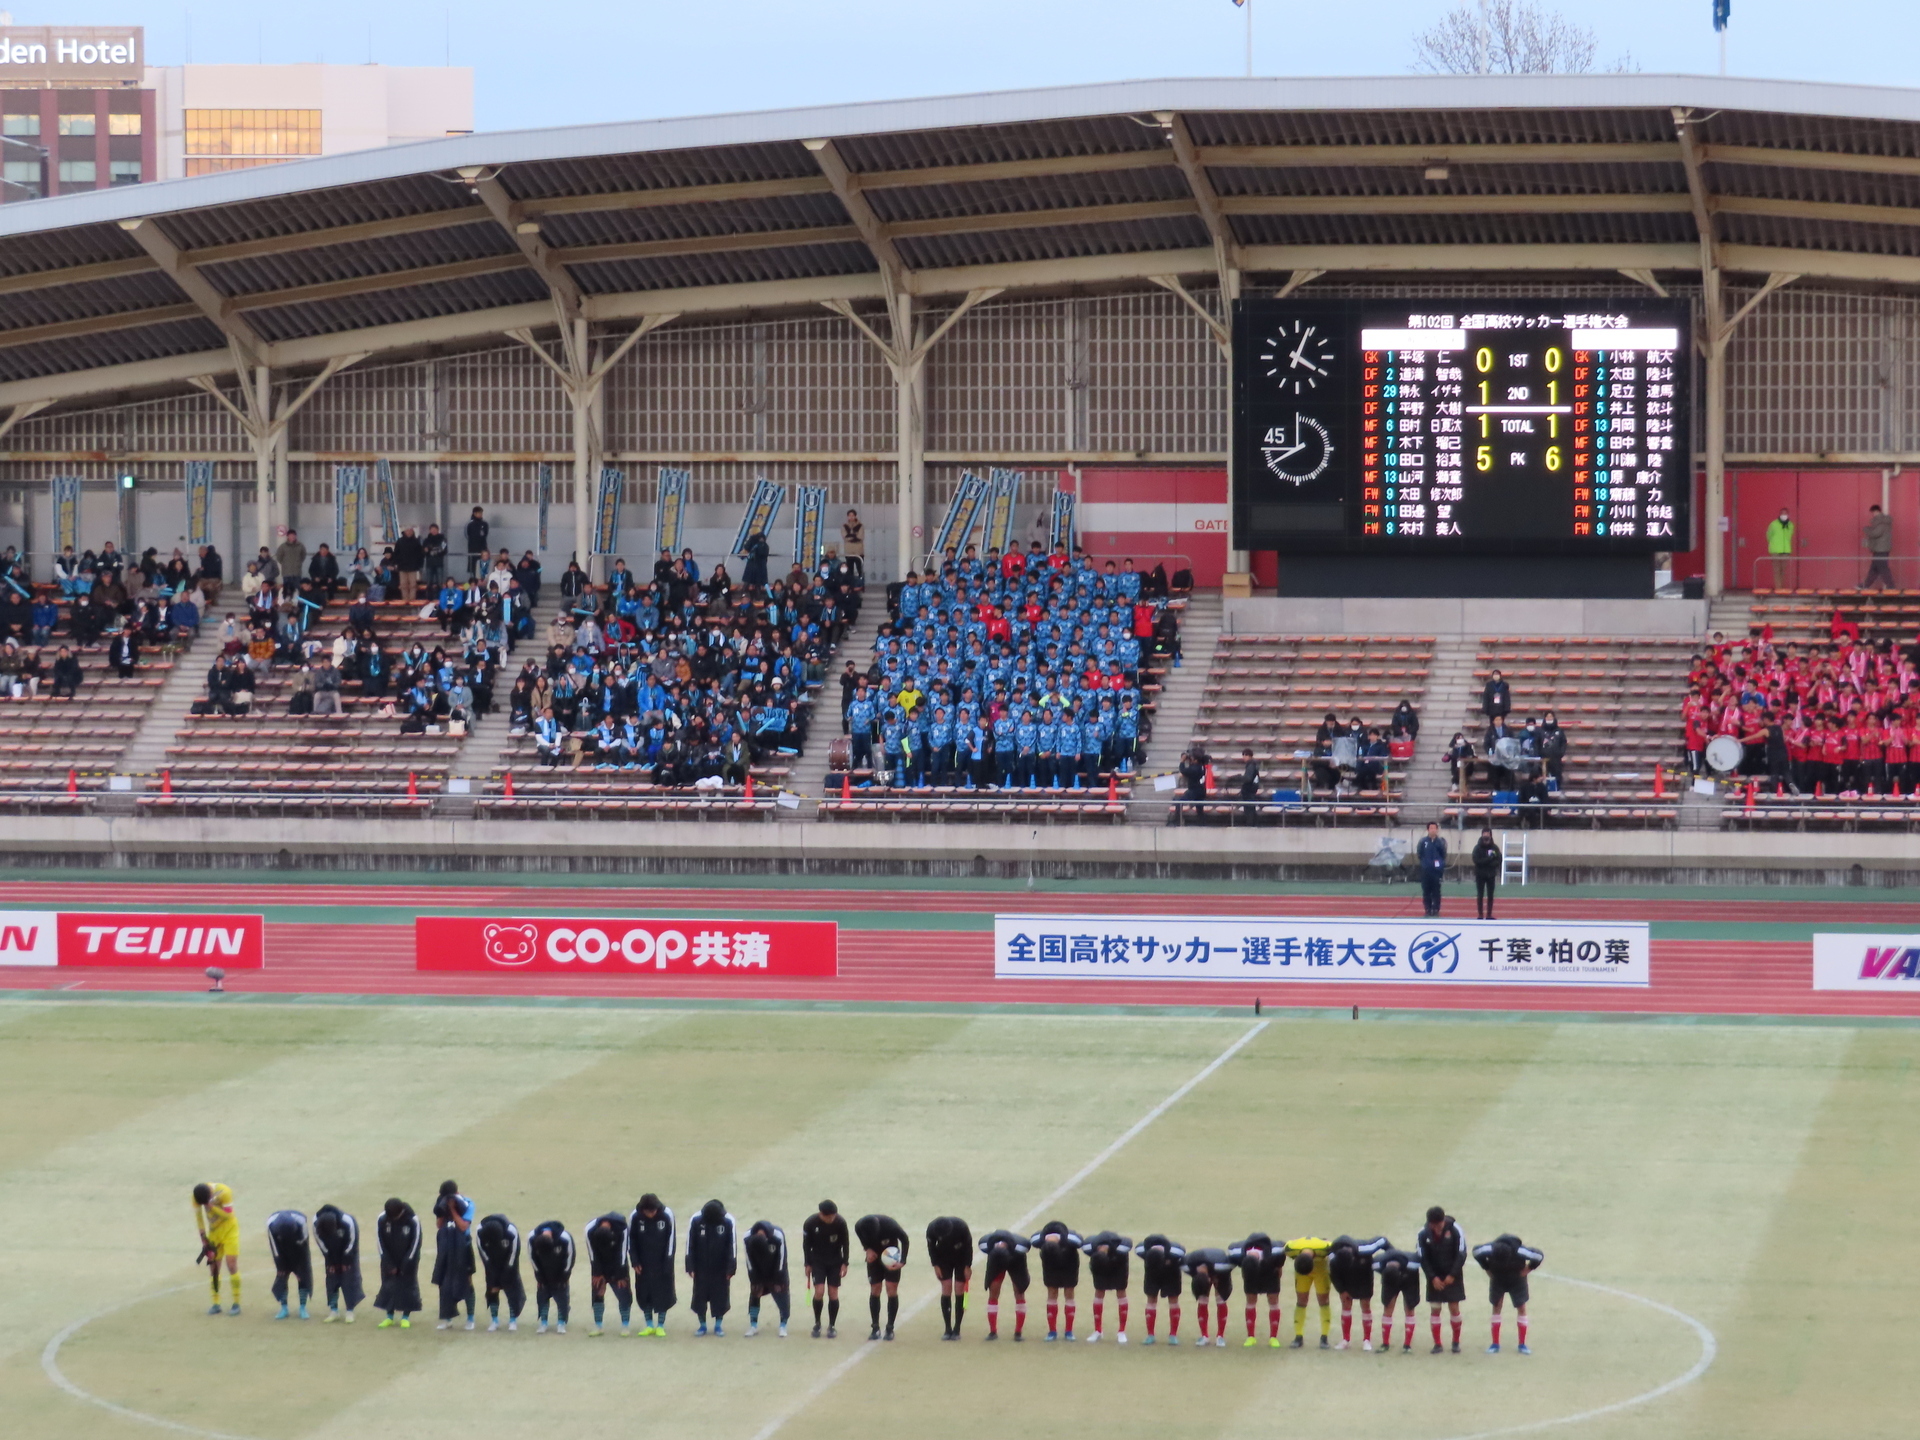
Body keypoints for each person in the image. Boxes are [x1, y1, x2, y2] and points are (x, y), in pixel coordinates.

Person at [1474, 1234, 1544, 1354]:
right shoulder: (1489, 1249)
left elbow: (1538, 1255)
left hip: (1517, 1279)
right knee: (1496, 1306)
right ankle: (1495, 1343)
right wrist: (1486, 1267)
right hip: (1498, 1278)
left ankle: (1522, 1344)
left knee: (1521, 1307)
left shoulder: (1520, 1251)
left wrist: (1529, 1268)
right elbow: (1476, 1251)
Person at [1417, 1205, 1468, 1354]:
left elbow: (1461, 1253)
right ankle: (1437, 1344)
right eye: (1433, 1225)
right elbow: (1422, 1257)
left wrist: (1452, 1274)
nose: (1436, 1228)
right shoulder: (1423, 1233)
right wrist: (1432, 1278)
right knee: (1435, 1309)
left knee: (1454, 1308)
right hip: (1435, 1277)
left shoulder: (1455, 1229)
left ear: (1443, 1221)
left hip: (1453, 1275)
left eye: (1439, 1225)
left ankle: (1456, 1342)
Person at [685, 1198, 737, 1337]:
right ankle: (702, 1325)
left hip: (720, 1269)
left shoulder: (727, 1222)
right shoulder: (696, 1221)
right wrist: (690, 1266)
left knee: (720, 1297)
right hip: (701, 1269)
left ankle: (718, 1326)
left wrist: (731, 1268)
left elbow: (731, 1246)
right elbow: (690, 1245)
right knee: (699, 1298)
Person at [854, 1212, 909, 1340]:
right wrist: (867, 1248)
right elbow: (860, 1236)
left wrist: (903, 1260)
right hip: (874, 1260)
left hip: (891, 1257)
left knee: (891, 1289)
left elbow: (905, 1239)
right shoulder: (859, 1226)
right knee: (875, 1289)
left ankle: (890, 1328)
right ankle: (875, 1328)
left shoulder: (891, 1225)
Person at [629, 1192, 677, 1336]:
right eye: (648, 1212)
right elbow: (631, 1240)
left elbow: (671, 1240)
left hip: (662, 1263)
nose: (651, 1214)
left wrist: (668, 1263)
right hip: (643, 1264)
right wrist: (635, 1261)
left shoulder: (667, 1214)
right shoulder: (635, 1216)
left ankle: (660, 1325)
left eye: (653, 1211)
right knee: (645, 1294)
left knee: (663, 1294)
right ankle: (649, 1325)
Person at [1328, 1234, 1387, 1351]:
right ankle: (1345, 1340)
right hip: (1346, 1280)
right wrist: (1342, 1290)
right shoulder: (1333, 1256)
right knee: (1346, 1305)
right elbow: (1334, 1275)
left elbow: (1383, 1241)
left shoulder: (1366, 1248)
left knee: (1365, 1306)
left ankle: (1367, 1340)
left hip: (1364, 1278)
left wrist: (1392, 1255)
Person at [191, 1181, 242, 1316]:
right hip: (214, 1233)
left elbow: (229, 1215)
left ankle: (236, 1303)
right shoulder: (196, 1196)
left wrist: (210, 1206)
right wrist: (204, 1239)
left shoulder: (224, 1192)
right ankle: (216, 1303)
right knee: (214, 1268)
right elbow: (199, 1218)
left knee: (231, 1265)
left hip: (230, 1231)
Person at [431, 1185, 478, 1331]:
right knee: (444, 1282)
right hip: (445, 1246)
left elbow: (463, 1226)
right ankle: (447, 1318)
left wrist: (453, 1209)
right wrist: (444, 1210)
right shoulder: (441, 1202)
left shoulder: (468, 1203)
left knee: (467, 1280)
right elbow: (439, 1225)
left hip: (463, 1246)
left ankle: (470, 1318)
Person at [1227, 1231, 1285, 1348]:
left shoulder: (1276, 1251)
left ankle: (1273, 1337)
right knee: (1250, 1300)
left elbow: (1280, 1265)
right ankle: (1251, 1337)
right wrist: (1247, 1275)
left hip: (1270, 1271)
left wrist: (1278, 1272)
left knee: (1273, 1300)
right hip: (1250, 1274)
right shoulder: (1236, 1253)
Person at [1070, 1230, 1129, 1344]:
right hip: (1100, 1267)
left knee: (1121, 1291)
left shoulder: (1121, 1250)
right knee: (1099, 1291)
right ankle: (1098, 1330)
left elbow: (1128, 1243)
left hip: (1118, 1265)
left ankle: (1121, 1331)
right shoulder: (1092, 1250)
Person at [802, 1199, 850, 1338]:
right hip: (818, 1262)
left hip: (835, 1262)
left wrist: (845, 1263)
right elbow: (806, 1245)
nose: (832, 1219)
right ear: (821, 1214)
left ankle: (832, 1325)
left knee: (833, 1293)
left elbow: (845, 1243)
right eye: (829, 1217)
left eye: (833, 1216)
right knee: (819, 1291)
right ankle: (817, 1323)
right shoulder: (810, 1223)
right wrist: (807, 1264)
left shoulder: (840, 1222)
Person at [1030, 1219, 1083, 1341]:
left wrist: (1063, 1238)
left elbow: (1080, 1241)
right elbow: (1032, 1240)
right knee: (1052, 1294)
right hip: (1050, 1266)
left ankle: (1069, 1331)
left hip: (1069, 1265)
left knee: (1069, 1294)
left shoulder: (1070, 1239)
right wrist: (1046, 1239)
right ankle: (1052, 1331)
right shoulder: (1041, 1240)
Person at [374, 1197, 423, 1329]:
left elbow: (415, 1244)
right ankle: (389, 1317)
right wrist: (388, 1263)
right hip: (389, 1260)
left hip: (408, 1260)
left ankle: (405, 1317)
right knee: (388, 1286)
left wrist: (405, 1264)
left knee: (408, 1286)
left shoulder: (413, 1220)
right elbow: (380, 1243)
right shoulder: (382, 1218)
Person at [976, 1228, 1032, 1341]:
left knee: (1019, 1292)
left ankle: (1018, 1332)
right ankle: (993, 1331)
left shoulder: (1021, 1247)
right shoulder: (987, 1245)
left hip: (1016, 1260)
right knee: (993, 1293)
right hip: (995, 1261)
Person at [585, 1211, 634, 1336]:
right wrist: (598, 1273)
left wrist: (620, 1275)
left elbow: (622, 1254)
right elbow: (592, 1254)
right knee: (597, 1293)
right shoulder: (589, 1230)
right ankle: (598, 1325)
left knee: (624, 1294)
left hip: (617, 1263)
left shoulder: (622, 1229)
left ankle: (625, 1325)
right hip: (599, 1262)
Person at [313, 1204, 363, 1323]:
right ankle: (333, 1311)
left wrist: (346, 1261)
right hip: (331, 1253)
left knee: (349, 1282)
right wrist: (331, 1262)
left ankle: (350, 1311)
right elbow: (321, 1244)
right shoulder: (316, 1222)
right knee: (331, 1283)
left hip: (348, 1254)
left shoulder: (348, 1221)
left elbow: (352, 1243)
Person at [925, 1215, 973, 1340]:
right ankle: (947, 1329)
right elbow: (931, 1248)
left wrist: (967, 1266)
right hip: (943, 1259)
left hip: (960, 1259)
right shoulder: (931, 1228)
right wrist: (935, 1265)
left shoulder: (961, 1227)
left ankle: (957, 1328)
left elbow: (968, 1247)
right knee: (946, 1288)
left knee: (959, 1289)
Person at [477, 1212, 526, 1333]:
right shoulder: (480, 1230)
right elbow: (482, 1252)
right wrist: (491, 1269)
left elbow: (514, 1252)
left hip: (509, 1263)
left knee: (512, 1291)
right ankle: (494, 1320)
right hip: (492, 1263)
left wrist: (508, 1269)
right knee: (492, 1290)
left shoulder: (511, 1231)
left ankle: (513, 1320)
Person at [1284, 1234, 1335, 1349]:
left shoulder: (1325, 1247)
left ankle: (1324, 1337)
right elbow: (1288, 1245)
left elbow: (1335, 1246)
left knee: (1323, 1301)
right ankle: (1298, 1336)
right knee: (1301, 1301)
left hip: (1320, 1270)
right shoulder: (1291, 1249)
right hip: (1301, 1270)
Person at [1132, 1233, 1184, 1345]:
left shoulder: (1176, 1252)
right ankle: (1150, 1335)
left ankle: (1173, 1335)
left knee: (1173, 1300)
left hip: (1171, 1274)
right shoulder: (1141, 1250)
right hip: (1152, 1274)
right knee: (1151, 1300)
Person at [1180, 1244, 1235, 1347]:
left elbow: (1234, 1263)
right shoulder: (1186, 1266)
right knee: (1202, 1300)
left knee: (1221, 1300)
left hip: (1220, 1269)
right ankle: (1204, 1336)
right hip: (1202, 1269)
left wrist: (1216, 1277)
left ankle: (1220, 1336)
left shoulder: (1223, 1265)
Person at [1373, 1238, 1422, 1354]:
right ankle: (1385, 1343)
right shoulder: (1377, 1263)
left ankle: (1407, 1345)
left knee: (1410, 1308)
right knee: (1388, 1307)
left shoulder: (1413, 1263)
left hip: (1409, 1278)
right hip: (1389, 1279)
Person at [744, 1218, 790, 1337]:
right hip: (758, 1270)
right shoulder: (747, 1238)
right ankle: (753, 1325)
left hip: (776, 1270)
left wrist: (778, 1276)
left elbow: (782, 1258)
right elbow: (749, 1261)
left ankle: (783, 1325)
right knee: (755, 1295)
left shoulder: (778, 1235)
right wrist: (754, 1277)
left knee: (783, 1297)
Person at [264, 1207, 313, 1321]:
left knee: (303, 1277)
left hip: (298, 1247)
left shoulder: (301, 1222)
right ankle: (284, 1308)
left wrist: (300, 1266)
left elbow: (303, 1243)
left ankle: (302, 1307)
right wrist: (280, 1265)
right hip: (281, 1249)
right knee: (282, 1276)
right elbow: (275, 1247)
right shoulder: (271, 1224)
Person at [529, 1219, 575, 1335]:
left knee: (562, 1299)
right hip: (543, 1272)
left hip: (560, 1272)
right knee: (542, 1297)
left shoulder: (565, 1238)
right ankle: (543, 1322)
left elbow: (570, 1258)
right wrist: (540, 1277)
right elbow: (533, 1259)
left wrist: (564, 1276)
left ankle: (561, 1322)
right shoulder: (532, 1238)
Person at [1417, 821, 1447, 917]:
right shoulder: (1423, 842)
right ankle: (1428, 908)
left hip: (1436, 871)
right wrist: (1425, 864)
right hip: (1426, 871)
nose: (1433, 830)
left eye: (1435, 828)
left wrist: (1439, 865)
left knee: (1436, 891)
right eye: (1431, 828)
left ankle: (1436, 908)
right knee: (1426, 891)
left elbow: (1443, 855)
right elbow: (1420, 854)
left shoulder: (1440, 842)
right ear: (1428, 830)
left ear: (1437, 830)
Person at [1471, 826, 1500, 919]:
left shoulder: (1495, 848)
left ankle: (1489, 914)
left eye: (1488, 834)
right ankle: (1480, 914)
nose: (1486, 835)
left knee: (1490, 895)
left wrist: (1492, 864)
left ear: (1490, 835)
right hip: (1480, 874)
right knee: (1480, 894)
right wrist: (1489, 859)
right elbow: (1476, 860)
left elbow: (1499, 859)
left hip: (1491, 874)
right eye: (1484, 833)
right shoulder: (1477, 848)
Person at [1864, 504, 1895, 590]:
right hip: (1880, 548)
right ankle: (1866, 585)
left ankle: (1891, 586)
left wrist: (1866, 529)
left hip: (1881, 549)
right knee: (1874, 568)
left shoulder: (1882, 522)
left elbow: (1875, 533)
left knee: (1882, 568)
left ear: (1876, 511)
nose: (1873, 514)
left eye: (1873, 512)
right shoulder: (1882, 521)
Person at [1767, 506, 1795, 590]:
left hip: (1785, 550)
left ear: (1788, 514)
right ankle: (1778, 588)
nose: (1784, 515)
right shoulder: (1773, 524)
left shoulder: (1790, 525)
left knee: (1783, 571)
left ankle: (1782, 588)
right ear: (1779, 514)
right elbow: (1768, 535)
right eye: (1782, 513)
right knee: (1777, 571)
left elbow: (1789, 536)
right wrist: (1773, 544)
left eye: (1785, 513)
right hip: (1775, 550)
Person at [465, 506, 490, 580]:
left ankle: (483, 581)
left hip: (482, 548)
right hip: (473, 548)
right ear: (474, 513)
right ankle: (474, 581)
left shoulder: (484, 524)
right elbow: (468, 534)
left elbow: (485, 534)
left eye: (481, 513)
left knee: (483, 565)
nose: (480, 514)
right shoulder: (470, 524)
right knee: (473, 567)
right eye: (479, 513)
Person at [841, 509, 865, 577]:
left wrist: (850, 536)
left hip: (859, 551)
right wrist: (854, 536)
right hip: (848, 551)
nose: (851, 517)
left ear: (855, 516)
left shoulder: (860, 525)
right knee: (849, 569)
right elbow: (844, 536)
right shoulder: (844, 526)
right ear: (847, 516)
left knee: (860, 569)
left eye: (852, 515)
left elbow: (860, 537)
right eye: (849, 515)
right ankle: (850, 584)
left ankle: (860, 583)